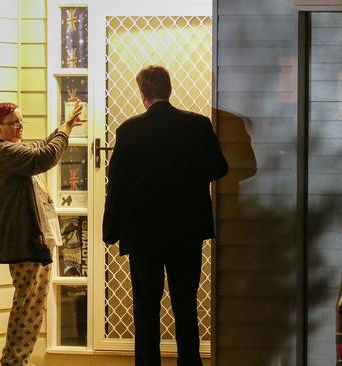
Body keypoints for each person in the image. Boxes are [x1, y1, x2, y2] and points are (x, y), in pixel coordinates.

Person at [102, 65, 229, 366]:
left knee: (146, 305)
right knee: (185, 303)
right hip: (186, 228)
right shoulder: (197, 126)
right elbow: (219, 168)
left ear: (143, 93)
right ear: (169, 90)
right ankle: (189, 362)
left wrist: (111, 229)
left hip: (143, 232)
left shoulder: (130, 131)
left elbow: (117, 185)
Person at [0, 101, 85, 365]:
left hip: (30, 240)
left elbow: (39, 148)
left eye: (21, 121)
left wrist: (65, 128)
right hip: (22, 240)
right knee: (27, 306)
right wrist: (63, 131)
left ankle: (18, 358)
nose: (20, 127)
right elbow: (43, 157)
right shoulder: (1, 152)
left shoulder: (10, 150)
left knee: (32, 306)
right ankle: (14, 360)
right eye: (14, 123)